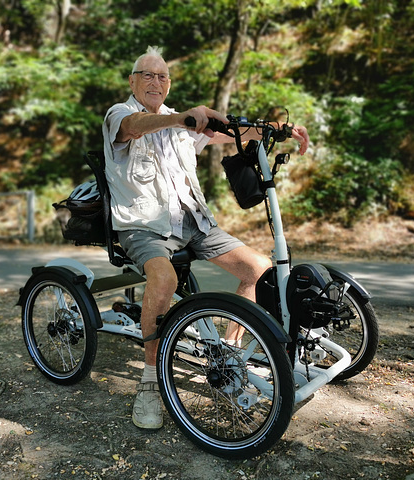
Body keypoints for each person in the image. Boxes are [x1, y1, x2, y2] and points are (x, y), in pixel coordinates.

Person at [102, 46, 309, 430]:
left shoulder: (184, 123)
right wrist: (184, 117)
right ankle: (149, 384)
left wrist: (279, 130)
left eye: (162, 76)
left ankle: (227, 355)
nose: (156, 81)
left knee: (259, 269)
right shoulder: (120, 113)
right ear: (132, 81)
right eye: (147, 74)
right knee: (164, 279)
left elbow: (230, 133)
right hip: (143, 226)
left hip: (194, 223)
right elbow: (133, 128)